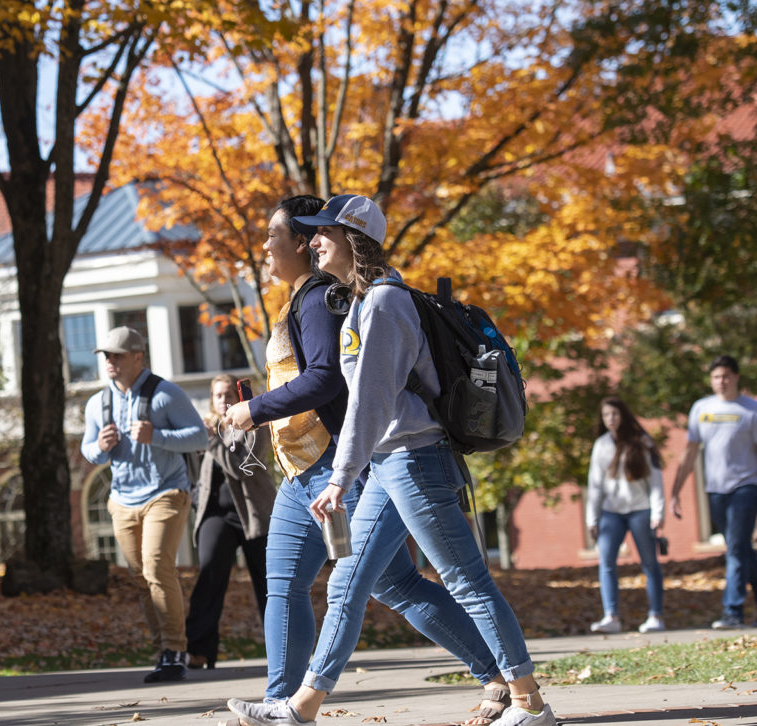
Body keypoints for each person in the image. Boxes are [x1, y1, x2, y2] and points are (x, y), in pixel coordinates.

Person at [227, 194, 554, 726]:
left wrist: (339, 476)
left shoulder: (383, 303)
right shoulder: (362, 302)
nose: (313, 243)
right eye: (310, 234)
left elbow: (370, 403)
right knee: (345, 585)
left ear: (352, 239)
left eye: (323, 234)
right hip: (389, 463)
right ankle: (300, 709)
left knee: (467, 582)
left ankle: (527, 701)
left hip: (414, 460)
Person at [80, 326, 209, 682]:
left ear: (139, 357)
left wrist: (158, 436)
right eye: (106, 356)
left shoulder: (166, 394)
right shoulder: (98, 403)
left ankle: (175, 650)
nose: (109, 362)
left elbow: (199, 436)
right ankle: (163, 652)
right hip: (121, 500)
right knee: (140, 579)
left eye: (117, 355)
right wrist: (100, 447)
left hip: (165, 493)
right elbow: (87, 450)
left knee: (156, 568)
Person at [668, 355, 757, 630]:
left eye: (726, 376)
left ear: (736, 377)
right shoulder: (701, 409)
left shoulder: (753, 410)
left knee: (735, 548)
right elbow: (690, 452)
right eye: (716, 377)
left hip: (747, 485)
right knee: (740, 547)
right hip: (715, 489)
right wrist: (675, 492)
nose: (721, 382)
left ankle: (733, 611)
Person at [185, 374, 275, 669]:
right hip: (216, 515)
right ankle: (199, 649)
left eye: (228, 394)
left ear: (239, 397)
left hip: (254, 515)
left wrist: (212, 443)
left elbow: (243, 468)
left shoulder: (255, 425)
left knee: (267, 583)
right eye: (217, 395)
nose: (223, 400)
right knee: (210, 575)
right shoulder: (211, 429)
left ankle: (281, 649)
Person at [585, 397, 667, 635]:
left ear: (624, 415)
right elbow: (595, 486)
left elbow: (656, 482)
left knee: (649, 562)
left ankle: (656, 616)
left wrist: (658, 513)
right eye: (606, 415)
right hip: (611, 514)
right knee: (607, 561)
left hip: (640, 511)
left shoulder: (642, 442)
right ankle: (611, 617)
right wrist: (592, 518)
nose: (611, 419)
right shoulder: (601, 445)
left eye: (615, 414)